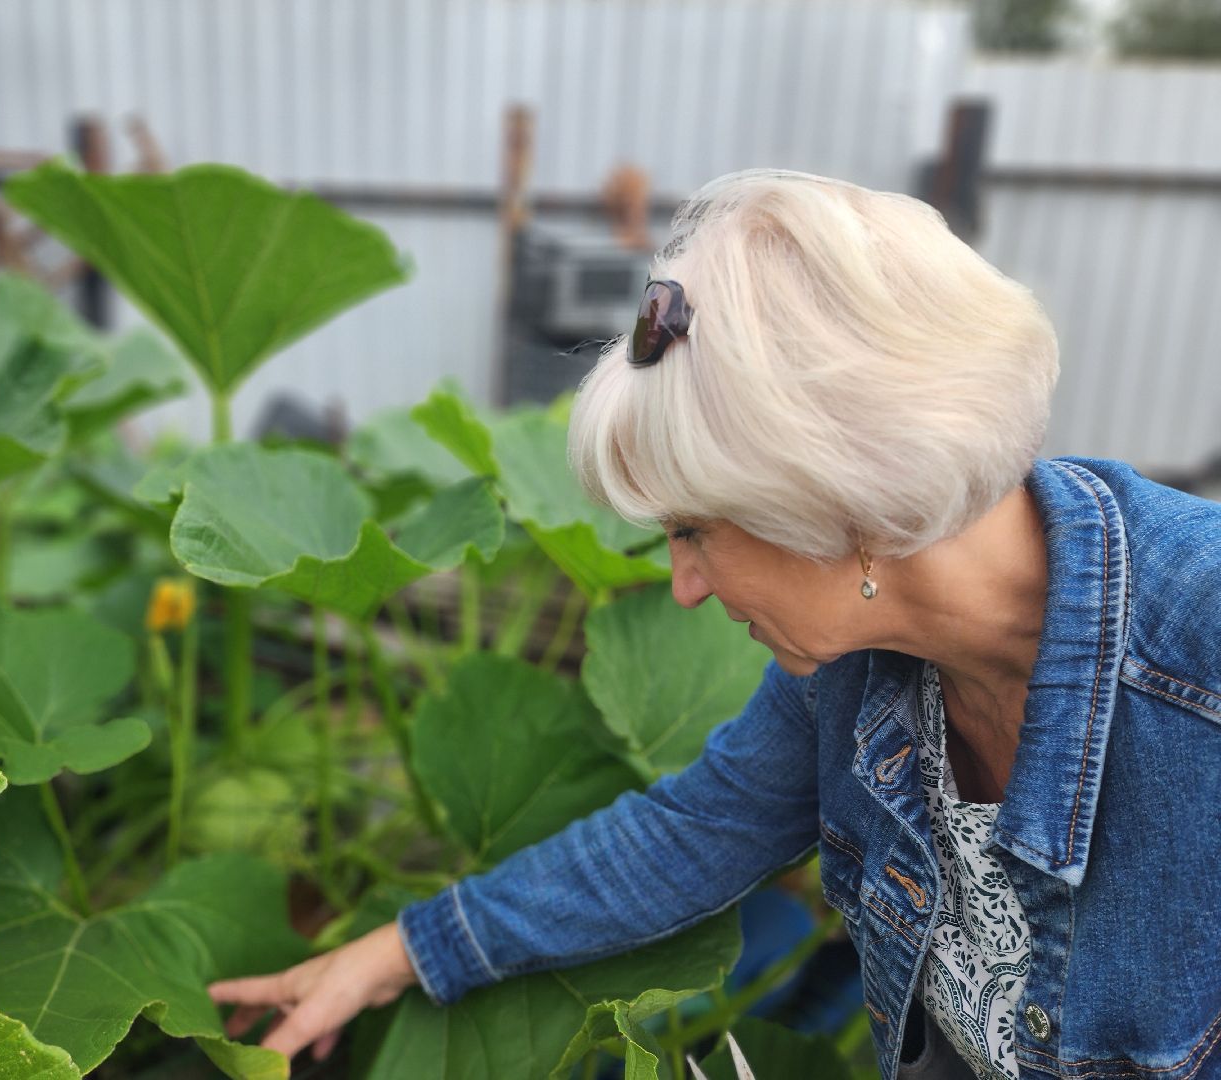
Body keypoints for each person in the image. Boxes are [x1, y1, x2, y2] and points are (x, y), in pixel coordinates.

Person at [208, 168, 1221, 1079]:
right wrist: (397, 953)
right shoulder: (856, 670)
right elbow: (693, 832)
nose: (682, 585)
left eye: (693, 532)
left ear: (843, 506)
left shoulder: (1202, 638)